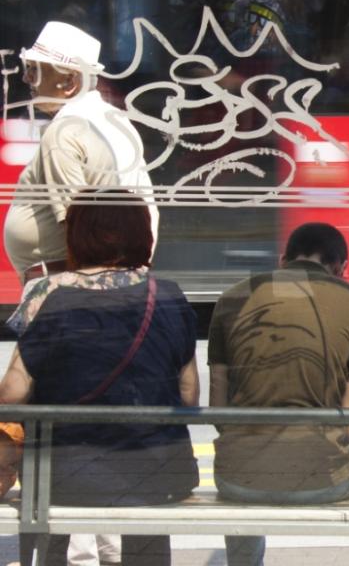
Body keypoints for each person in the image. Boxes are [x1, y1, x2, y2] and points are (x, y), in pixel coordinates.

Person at [0, 193, 200, 566]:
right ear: (142, 234)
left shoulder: (47, 293)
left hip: (67, 472)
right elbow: (189, 397)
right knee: (148, 535)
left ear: (76, 235)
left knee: (53, 523)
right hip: (157, 471)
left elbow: (13, 392)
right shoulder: (169, 295)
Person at [207, 222, 349, 566]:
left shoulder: (232, 299)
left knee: (244, 452)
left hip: (236, 479)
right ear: (341, 269)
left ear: (283, 260)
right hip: (322, 479)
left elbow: (219, 414)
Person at [5, 21, 159, 286]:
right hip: (105, 278)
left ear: (69, 81)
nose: (26, 78)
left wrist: (74, 295)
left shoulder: (64, 131)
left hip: (66, 282)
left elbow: (77, 225)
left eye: (35, 70)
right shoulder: (112, 120)